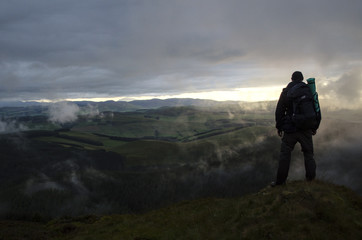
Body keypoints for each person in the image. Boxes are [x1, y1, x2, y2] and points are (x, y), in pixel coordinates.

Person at [272, 71, 321, 186]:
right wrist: (314, 126)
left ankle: (280, 182)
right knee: (309, 154)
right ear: (302, 79)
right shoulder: (309, 90)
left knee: (285, 155)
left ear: (291, 79)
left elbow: (279, 111)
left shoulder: (286, 92)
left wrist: (279, 126)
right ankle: (311, 181)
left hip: (290, 129)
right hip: (306, 129)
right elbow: (316, 109)